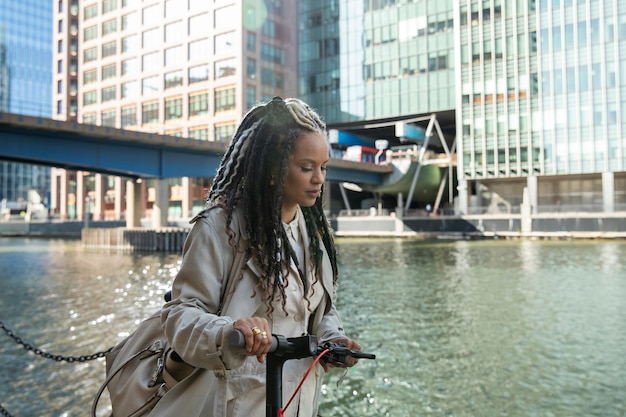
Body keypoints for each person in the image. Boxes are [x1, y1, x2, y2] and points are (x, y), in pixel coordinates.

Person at [148, 97, 361, 417]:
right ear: (273, 168)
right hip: (231, 406)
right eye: (306, 168)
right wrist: (229, 332)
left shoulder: (313, 233)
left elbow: (316, 308)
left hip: (297, 404)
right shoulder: (219, 227)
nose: (319, 179)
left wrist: (333, 339)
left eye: (323, 167)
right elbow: (180, 316)